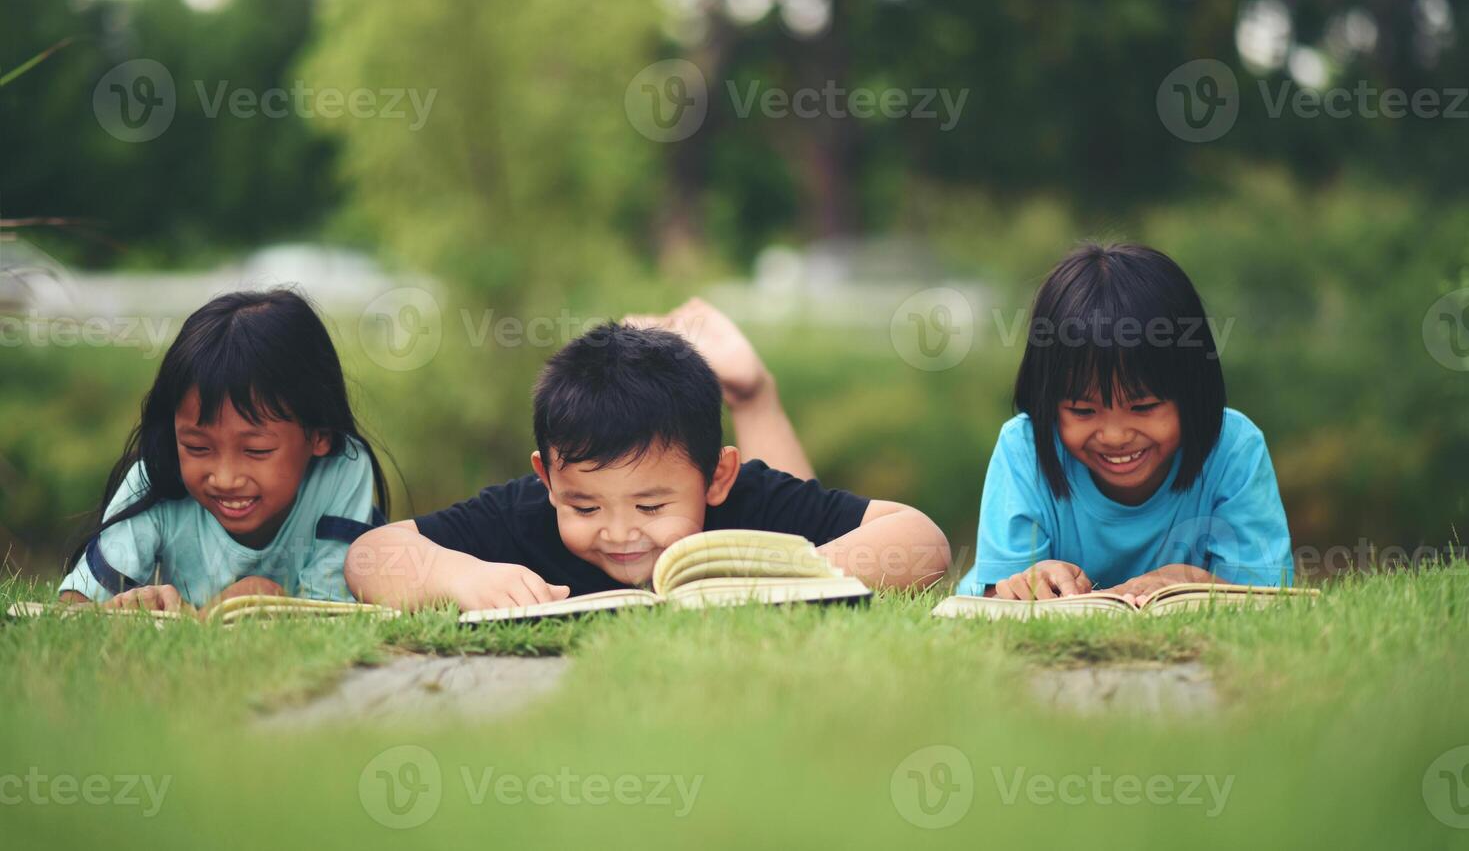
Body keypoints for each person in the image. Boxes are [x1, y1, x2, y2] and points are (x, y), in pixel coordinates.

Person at [346, 299, 950, 609]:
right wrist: (465, 577)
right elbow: (371, 555)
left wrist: (776, 583)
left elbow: (922, 540)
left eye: (652, 505)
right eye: (584, 508)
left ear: (716, 478)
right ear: (548, 479)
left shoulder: (746, 500)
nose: (619, 532)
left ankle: (750, 390)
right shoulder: (524, 515)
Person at [954, 243, 1294, 605]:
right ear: (1048, 402)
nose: (1115, 436)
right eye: (1083, 411)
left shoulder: (1233, 449)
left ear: (1193, 392)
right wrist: (1029, 584)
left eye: (1143, 406)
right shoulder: (1025, 449)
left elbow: (1270, 597)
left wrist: (1192, 579)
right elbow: (991, 597)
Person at [58, 289, 391, 611]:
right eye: (197, 447)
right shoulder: (157, 475)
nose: (225, 478)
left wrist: (247, 598)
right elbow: (75, 607)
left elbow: (329, 611)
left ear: (320, 435)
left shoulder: (341, 470)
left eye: (257, 450)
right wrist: (136, 605)